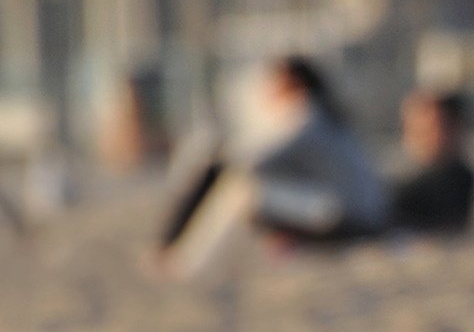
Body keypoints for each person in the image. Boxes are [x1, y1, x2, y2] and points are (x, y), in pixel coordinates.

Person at [155, 56, 389, 277]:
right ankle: (183, 255)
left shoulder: (306, 117)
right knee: (255, 188)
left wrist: (213, 162)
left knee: (242, 190)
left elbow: (251, 163)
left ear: (293, 83)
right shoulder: (323, 116)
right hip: (357, 213)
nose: (268, 88)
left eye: (276, 81)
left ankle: (186, 262)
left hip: (349, 218)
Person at [390, 90, 474, 234]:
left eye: (429, 126)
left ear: (454, 128)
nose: (417, 133)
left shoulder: (455, 179)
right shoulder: (409, 177)